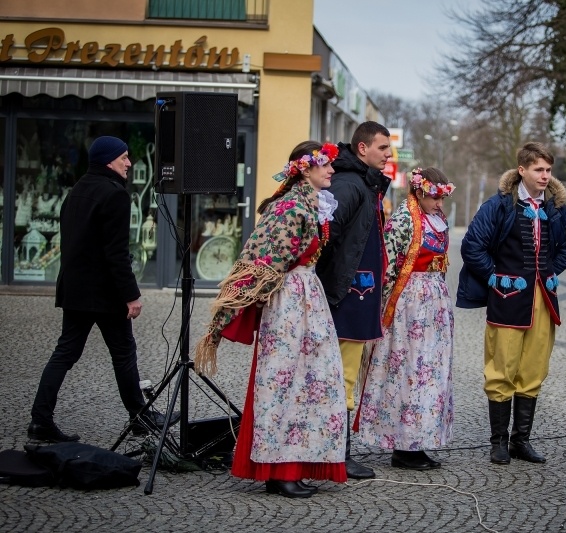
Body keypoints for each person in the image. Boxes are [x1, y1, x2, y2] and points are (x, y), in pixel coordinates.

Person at [194, 141, 347, 499]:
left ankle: (296, 463)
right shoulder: (289, 207)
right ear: (304, 168)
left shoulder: (311, 204)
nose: (331, 170)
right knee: (283, 381)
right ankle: (278, 470)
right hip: (288, 302)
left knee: (312, 380)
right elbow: (264, 259)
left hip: (307, 299)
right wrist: (231, 312)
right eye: (324, 164)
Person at [27, 136, 178, 443]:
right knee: (123, 353)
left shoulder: (77, 190)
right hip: (104, 292)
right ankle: (140, 418)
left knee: (65, 353)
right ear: (109, 160)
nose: (129, 163)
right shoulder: (115, 194)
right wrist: (131, 295)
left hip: (75, 289)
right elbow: (116, 253)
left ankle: (40, 420)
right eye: (124, 157)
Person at [457, 141, 566, 465]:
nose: (545, 175)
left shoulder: (555, 207)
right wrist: (494, 277)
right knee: (501, 369)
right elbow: (472, 246)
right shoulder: (499, 205)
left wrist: (549, 270)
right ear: (522, 170)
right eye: (538, 169)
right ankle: (498, 442)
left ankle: (521, 441)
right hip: (507, 299)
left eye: (548, 169)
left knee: (534, 369)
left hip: (543, 300)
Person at [357, 167, 456, 470]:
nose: (439, 204)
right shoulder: (403, 220)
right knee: (409, 371)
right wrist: (380, 310)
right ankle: (403, 445)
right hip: (409, 306)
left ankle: (420, 440)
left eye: (442, 198)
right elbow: (386, 265)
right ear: (419, 192)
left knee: (431, 372)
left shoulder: (436, 219)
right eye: (435, 198)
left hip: (434, 304)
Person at [316, 121, 392, 479]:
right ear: (363, 148)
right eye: (382, 147)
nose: (389, 154)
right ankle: (338, 454)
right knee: (341, 375)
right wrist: (333, 285)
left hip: (360, 294)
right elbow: (324, 236)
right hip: (346, 296)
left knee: (346, 373)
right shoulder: (349, 184)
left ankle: (338, 452)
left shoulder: (365, 183)